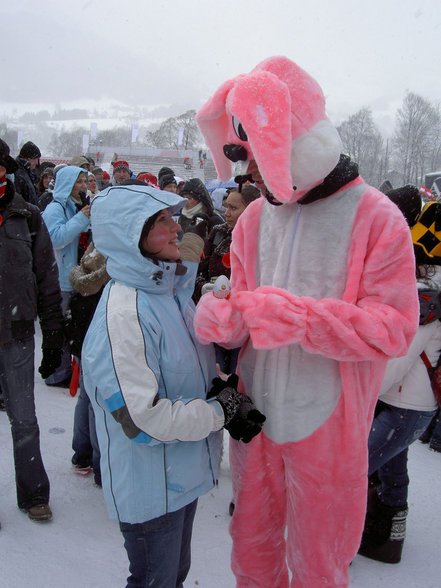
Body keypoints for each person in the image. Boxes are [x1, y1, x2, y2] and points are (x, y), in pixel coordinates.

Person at [193, 56, 419, 587]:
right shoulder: (254, 219)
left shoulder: (375, 216)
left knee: (320, 564)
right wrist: (225, 317)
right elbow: (245, 308)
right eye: (241, 155)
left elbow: (393, 328)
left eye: (254, 153)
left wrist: (299, 320)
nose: (248, 171)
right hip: (256, 422)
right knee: (251, 553)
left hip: (330, 426)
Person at [81, 182, 265, 587]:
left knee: (172, 576)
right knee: (154, 580)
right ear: (133, 235)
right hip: (149, 487)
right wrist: (218, 413)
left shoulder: (169, 293)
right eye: (162, 221)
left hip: (178, 476)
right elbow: (140, 418)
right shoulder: (125, 312)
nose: (176, 228)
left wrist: (219, 390)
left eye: (172, 218)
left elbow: (181, 373)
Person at [358, 186, 439, 564]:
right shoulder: (431, 290)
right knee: (392, 471)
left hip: (405, 402)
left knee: (354, 469)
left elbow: (398, 359)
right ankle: (386, 539)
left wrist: (361, 389)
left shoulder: (426, 296)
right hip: (411, 401)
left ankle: (342, 540)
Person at [0, 138, 64, 522]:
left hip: (18, 333)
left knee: (24, 419)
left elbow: (47, 278)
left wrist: (53, 334)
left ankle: (34, 494)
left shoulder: (27, 215)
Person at [194, 184, 261, 376]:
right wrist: (205, 291)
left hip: (244, 321)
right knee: (217, 371)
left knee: (240, 372)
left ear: (252, 208)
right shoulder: (219, 232)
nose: (227, 213)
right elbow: (200, 268)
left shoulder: (260, 238)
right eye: (226, 207)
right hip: (215, 317)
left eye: (233, 208)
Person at [42, 166, 91, 387]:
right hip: (59, 278)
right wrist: (81, 219)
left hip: (74, 276)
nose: (82, 186)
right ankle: (55, 373)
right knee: (58, 328)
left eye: (84, 181)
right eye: (78, 181)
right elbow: (56, 239)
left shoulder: (75, 206)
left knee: (71, 327)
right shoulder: (55, 208)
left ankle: (66, 372)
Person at [14, 140, 41, 205]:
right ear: (30, 158)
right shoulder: (18, 174)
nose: (37, 163)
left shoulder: (25, 172)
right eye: (37, 159)